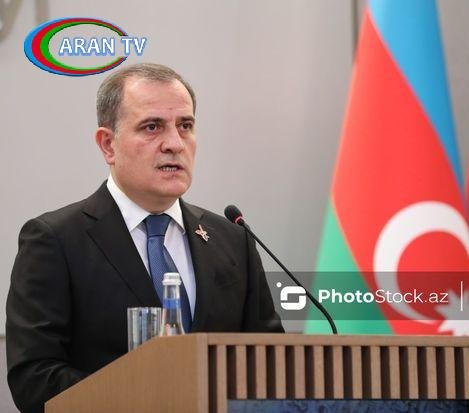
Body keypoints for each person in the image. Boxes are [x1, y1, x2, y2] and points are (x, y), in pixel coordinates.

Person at [5, 63, 284, 413]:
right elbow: (34, 377)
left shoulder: (232, 239)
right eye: (152, 127)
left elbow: (270, 360)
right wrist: (141, 399)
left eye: (185, 126)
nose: (174, 144)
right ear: (108, 144)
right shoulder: (55, 240)